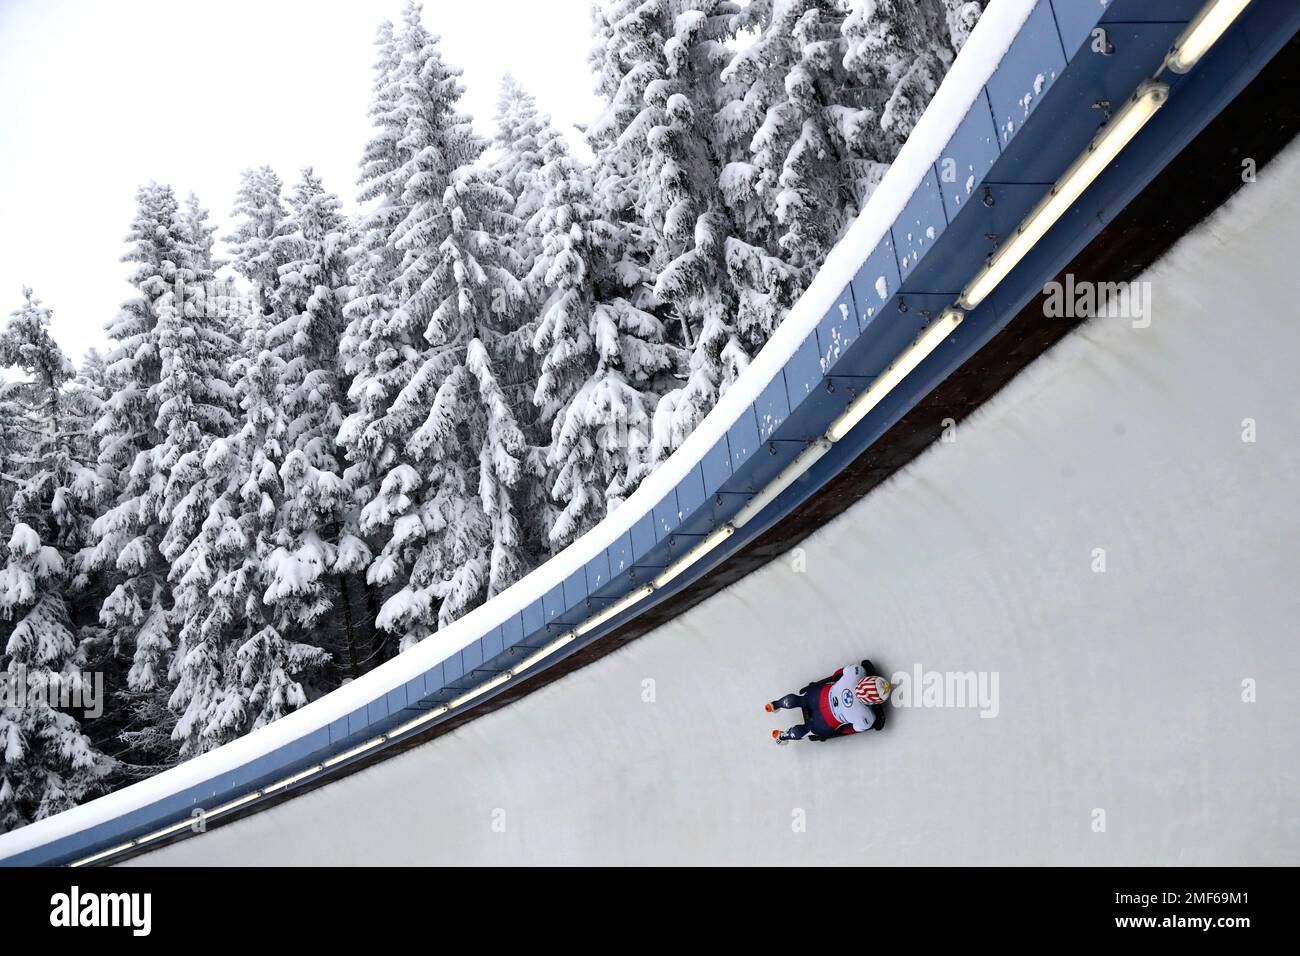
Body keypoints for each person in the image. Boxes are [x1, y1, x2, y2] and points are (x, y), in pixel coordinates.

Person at [767, 660, 889, 743]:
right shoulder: (866, 718)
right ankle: (782, 736)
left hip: (818, 695)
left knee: (801, 699)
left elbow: (837, 674)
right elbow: (849, 730)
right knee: (808, 729)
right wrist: (836, 730)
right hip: (826, 721)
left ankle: (775, 705)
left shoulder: (856, 671)